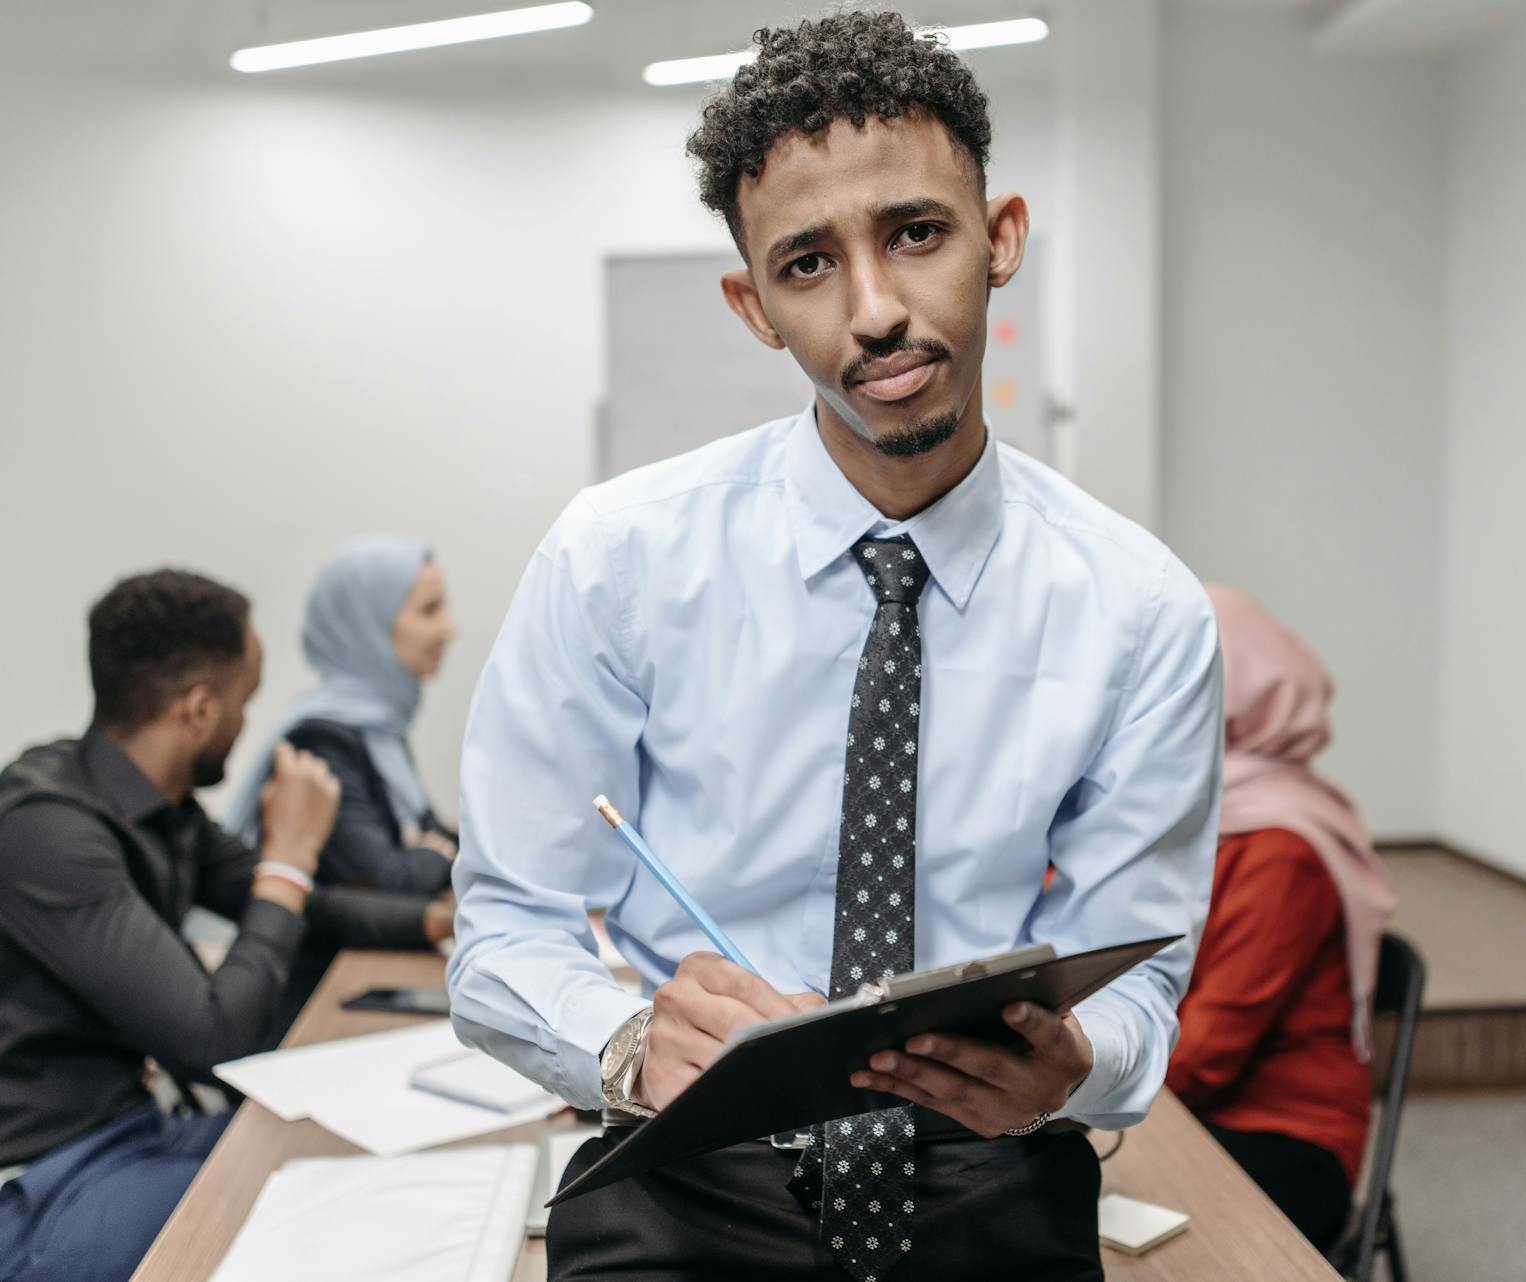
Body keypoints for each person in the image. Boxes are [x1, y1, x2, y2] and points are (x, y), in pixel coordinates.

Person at [448, 13, 1224, 1281]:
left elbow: (1140, 972)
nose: (875, 312)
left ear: (1001, 237)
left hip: (984, 1155)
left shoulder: (1139, 610)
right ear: (754, 306)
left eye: (916, 234)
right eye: (809, 264)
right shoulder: (617, 559)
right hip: (688, 1159)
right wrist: (629, 1037)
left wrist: (1079, 1063)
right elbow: (501, 931)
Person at [0, 570, 440, 1282]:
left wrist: (432, 919)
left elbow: (305, 908)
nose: (247, 724)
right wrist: (290, 857)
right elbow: (213, 1036)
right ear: (201, 711)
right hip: (43, 1173)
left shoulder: (159, 807)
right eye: (246, 702)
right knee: (329, 1214)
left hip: (132, 1130)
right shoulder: (48, 831)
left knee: (359, 1166)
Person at [1165, 584, 1398, 1254]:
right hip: (1179, 1100)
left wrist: (1067, 1075)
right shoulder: (1184, 808)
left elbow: (1205, 1056)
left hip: (1283, 1128)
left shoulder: (1281, 848)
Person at [225, 537, 459, 1039]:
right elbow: (394, 875)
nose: (449, 628)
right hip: (317, 1003)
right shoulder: (321, 742)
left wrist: (430, 851)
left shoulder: (380, 731)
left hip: (371, 971)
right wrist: (429, 855)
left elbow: (434, 839)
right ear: (366, 623)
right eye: (429, 610)